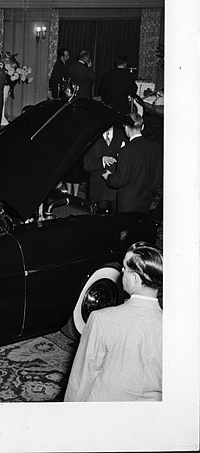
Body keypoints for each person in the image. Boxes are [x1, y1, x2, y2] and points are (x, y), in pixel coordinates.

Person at [64, 242, 163, 402]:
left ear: (135, 278)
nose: (121, 271)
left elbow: (81, 381)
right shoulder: (175, 328)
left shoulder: (101, 319)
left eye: (125, 268)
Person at [103, 113, 163, 213]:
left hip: (128, 204)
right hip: (147, 201)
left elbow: (120, 181)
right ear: (142, 127)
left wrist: (108, 177)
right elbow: (157, 178)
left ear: (126, 128)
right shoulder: (156, 147)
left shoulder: (125, 151)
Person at [83, 126, 125, 212]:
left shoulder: (123, 134)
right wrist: (102, 160)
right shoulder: (92, 135)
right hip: (98, 189)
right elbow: (87, 164)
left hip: (117, 191)